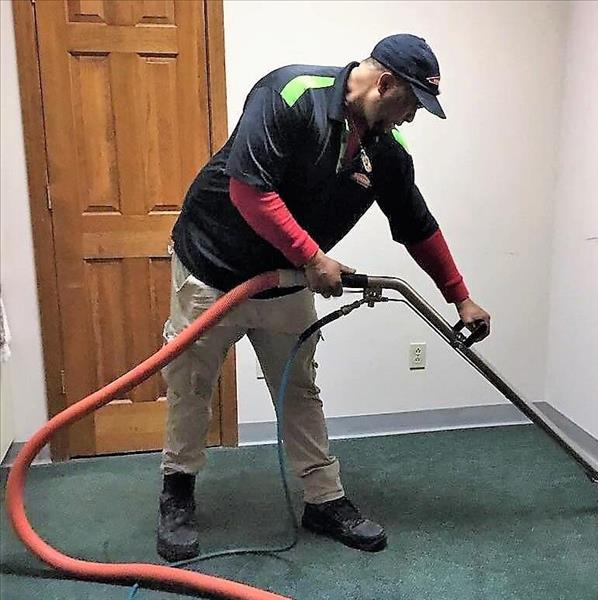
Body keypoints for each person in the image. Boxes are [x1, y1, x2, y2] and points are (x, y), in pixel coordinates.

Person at [157, 33, 491, 562]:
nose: (411, 119)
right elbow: (250, 190)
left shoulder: (386, 152)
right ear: (385, 84)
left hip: (285, 278)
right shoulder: (290, 94)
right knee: (191, 383)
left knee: (299, 389)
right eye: (411, 105)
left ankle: (323, 498)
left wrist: (460, 297)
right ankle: (177, 490)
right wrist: (314, 258)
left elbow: (417, 227)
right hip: (211, 267)